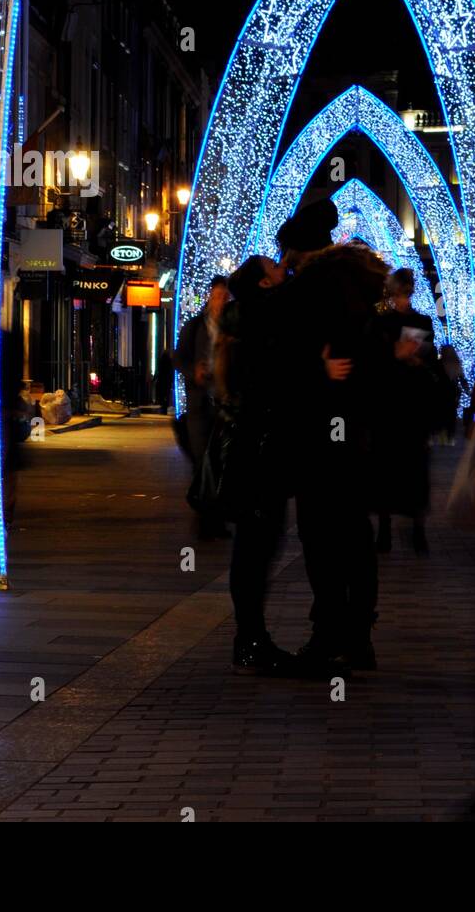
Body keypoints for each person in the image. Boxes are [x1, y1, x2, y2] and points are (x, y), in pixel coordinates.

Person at [278, 201, 391, 673]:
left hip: (315, 429)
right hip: (357, 431)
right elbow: (373, 360)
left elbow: (285, 355)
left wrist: (314, 370)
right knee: (354, 534)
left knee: (320, 535)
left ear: (297, 250)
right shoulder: (364, 289)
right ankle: (359, 635)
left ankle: (327, 634)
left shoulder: (306, 290)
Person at [211, 254, 298, 676]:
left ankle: (250, 638)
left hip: (248, 454)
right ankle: (250, 640)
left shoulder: (240, 324)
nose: (284, 271)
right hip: (258, 456)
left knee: (253, 549)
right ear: (264, 285)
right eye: (276, 269)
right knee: (256, 549)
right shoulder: (261, 325)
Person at [370, 269, 440, 555]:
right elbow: (376, 357)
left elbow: (429, 352)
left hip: (410, 400)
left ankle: (415, 529)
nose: (402, 298)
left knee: (412, 465)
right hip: (391, 401)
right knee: (389, 465)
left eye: (405, 293)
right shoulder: (382, 323)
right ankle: (387, 529)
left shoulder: (419, 320)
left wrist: (416, 357)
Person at [174, 275, 229, 540]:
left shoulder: (232, 329)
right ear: (209, 297)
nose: (220, 301)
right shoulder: (194, 326)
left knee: (218, 463)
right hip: (199, 405)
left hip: (224, 404)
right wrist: (192, 370)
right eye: (217, 296)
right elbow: (177, 356)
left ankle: (215, 520)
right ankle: (204, 520)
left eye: (225, 297)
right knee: (201, 461)